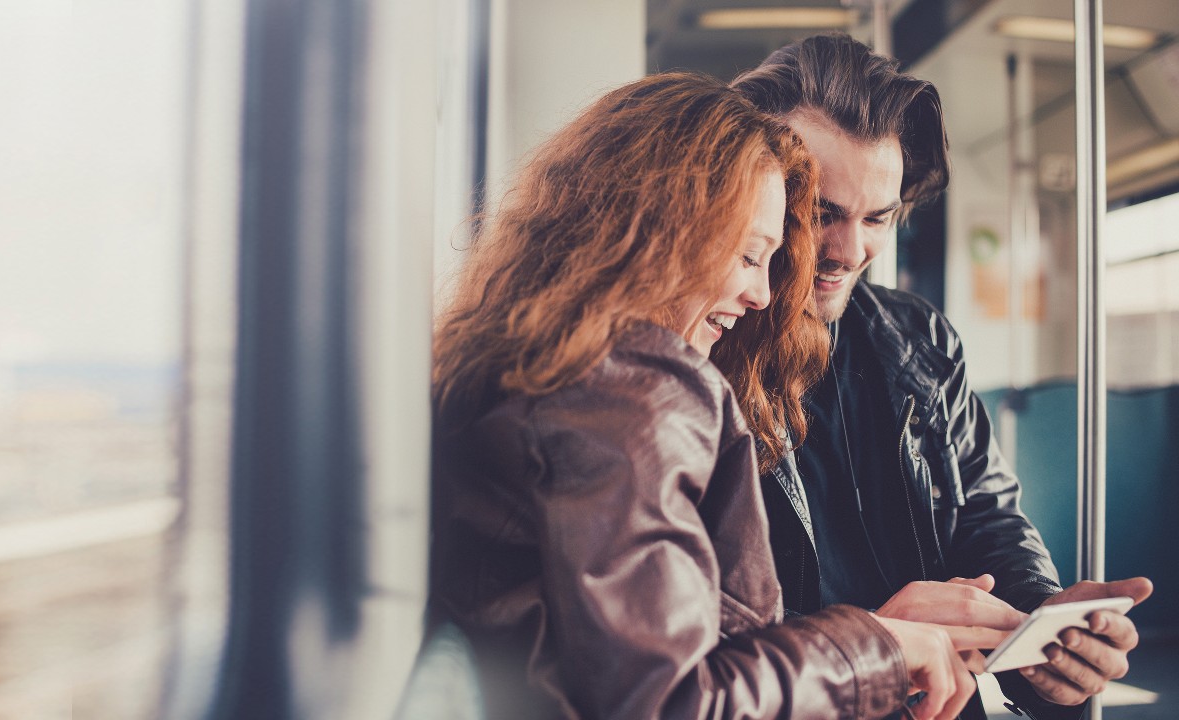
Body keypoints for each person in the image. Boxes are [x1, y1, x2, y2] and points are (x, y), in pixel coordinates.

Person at [429, 72, 1004, 719]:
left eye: (878, 218)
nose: (764, 293)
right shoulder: (636, 401)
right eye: (752, 254)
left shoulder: (544, 366)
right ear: (662, 232)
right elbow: (675, 699)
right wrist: (875, 646)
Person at [726, 33, 1153, 719]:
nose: (848, 251)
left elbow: (987, 517)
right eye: (820, 213)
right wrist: (871, 640)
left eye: (878, 218)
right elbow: (692, 645)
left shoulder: (921, 340)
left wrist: (1043, 621)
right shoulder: (699, 350)